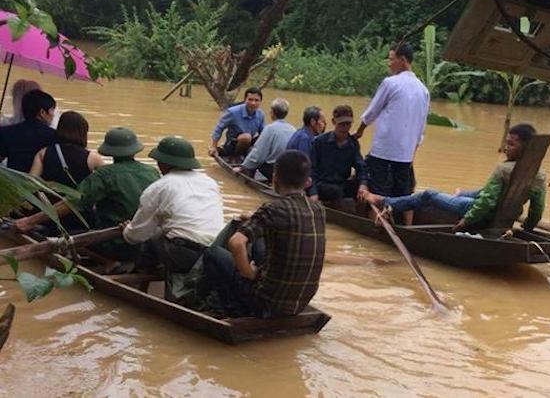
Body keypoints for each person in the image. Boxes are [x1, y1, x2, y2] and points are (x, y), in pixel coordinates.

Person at [203, 150, 325, 317]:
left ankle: (226, 307)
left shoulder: (273, 209)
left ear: (275, 179)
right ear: (307, 182)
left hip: (264, 304)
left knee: (213, 254)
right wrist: (252, 219)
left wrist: (249, 273)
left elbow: (236, 242)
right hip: (299, 304)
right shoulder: (319, 210)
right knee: (260, 243)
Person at [14, 128, 161, 263]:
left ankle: (109, 262)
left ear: (110, 151)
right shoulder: (151, 171)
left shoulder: (104, 175)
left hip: (116, 243)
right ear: (134, 150)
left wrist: (29, 221)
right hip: (149, 241)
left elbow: (72, 203)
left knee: (65, 240)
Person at [366, 124, 546, 231]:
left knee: (428, 195)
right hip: (503, 215)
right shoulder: (539, 174)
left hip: (479, 213)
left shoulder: (503, 169)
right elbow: (537, 208)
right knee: (472, 193)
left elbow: (486, 202)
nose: (506, 148)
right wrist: (528, 228)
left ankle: (385, 201)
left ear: (525, 147)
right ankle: (459, 194)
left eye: (511, 144)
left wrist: (466, 221)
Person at [123, 136, 225, 279]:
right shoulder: (210, 183)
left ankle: (140, 277)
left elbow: (137, 235)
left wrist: (127, 230)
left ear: (163, 163)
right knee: (163, 232)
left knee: (151, 238)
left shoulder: (159, 187)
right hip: (218, 251)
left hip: (184, 254)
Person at [354, 42, 430, 223]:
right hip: (405, 154)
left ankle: (374, 226)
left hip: (384, 150)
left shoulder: (390, 83)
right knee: (404, 193)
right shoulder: (424, 90)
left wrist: (359, 132)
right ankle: (409, 228)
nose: (389, 63)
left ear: (402, 60)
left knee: (377, 191)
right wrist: (412, 153)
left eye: (391, 59)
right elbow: (421, 129)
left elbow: (372, 112)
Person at [309, 104, 368, 206]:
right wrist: (313, 193)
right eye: (341, 124)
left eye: (348, 124)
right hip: (322, 185)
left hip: (341, 184)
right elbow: (311, 170)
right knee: (334, 191)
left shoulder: (353, 144)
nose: (345, 127)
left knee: (366, 185)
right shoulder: (320, 142)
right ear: (333, 122)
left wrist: (363, 185)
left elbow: (361, 167)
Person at [30, 111, 104, 188]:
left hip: (49, 199)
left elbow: (31, 182)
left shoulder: (43, 153)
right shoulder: (93, 158)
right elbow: (108, 181)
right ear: (83, 133)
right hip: (78, 199)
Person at [233, 97, 296, 181]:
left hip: (275, 169)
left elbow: (258, 154)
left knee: (251, 150)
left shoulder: (270, 128)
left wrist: (242, 167)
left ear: (272, 113)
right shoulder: (293, 129)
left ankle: (249, 176)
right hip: (290, 170)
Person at [0, 89, 57, 172]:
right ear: (42, 112)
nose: (53, 115)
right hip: (41, 183)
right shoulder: (55, 136)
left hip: (13, 182)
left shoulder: (6, 132)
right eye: (52, 110)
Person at [208, 87, 265, 157]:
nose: (253, 103)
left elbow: (263, 133)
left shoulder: (260, 114)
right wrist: (214, 146)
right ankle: (236, 157)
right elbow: (219, 128)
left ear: (260, 101)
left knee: (267, 136)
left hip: (249, 144)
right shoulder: (232, 112)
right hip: (232, 145)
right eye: (250, 100)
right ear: (245, 100)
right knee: (246, 137)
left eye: (256, 100)